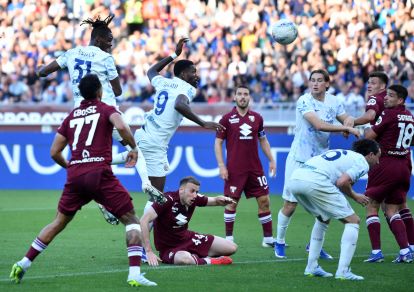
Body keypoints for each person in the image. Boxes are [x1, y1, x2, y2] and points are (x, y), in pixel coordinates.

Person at [9, 74, 156, 287]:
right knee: (131, 220)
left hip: (76, 175)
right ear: (99, 91)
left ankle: (24, 263)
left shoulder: (72, 116)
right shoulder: (106, 109)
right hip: (99, 172)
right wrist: (133, 148)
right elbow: (122, 127)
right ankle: (134, 274)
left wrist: (71, 167)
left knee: (58, 222)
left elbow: (54, 152)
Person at [37, 14, 163, 224]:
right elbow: (118, 90)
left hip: (81, 116)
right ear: (97, 39)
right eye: (109, 40)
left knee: (87, 160)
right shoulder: (105, 58)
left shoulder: (71, 53)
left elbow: (42, 72)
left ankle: (102, 203)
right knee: (133, 148)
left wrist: (59, 70)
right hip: (107, 113)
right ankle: (146, 182)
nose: (111, 43)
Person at [117, 37, 224, 206]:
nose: (196, 76)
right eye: (193, 72)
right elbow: (180, 104)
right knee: (158, 199)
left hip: (144, 134)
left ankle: (98, 163)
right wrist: (203, 123)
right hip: (155, 144)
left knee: (155, 193)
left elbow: (151, 71)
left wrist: (174, 54)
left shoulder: (164, 82)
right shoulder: (187, 88)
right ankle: (141, 229)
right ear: (183, 74)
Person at [274, 69, 360, 258]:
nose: (315, 84)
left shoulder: (334, 101)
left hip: (321, 162)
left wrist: (349, 121)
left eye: (319, 81)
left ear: (327, 84)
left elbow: (346, 117)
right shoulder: (304, 100)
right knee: (290, 204)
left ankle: (314, 246)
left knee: (324, 207)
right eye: (312, 80)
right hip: (299, 158)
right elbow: (319, 125)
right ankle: (279, 241)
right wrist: (345, 127)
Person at [287, 139, 381, 280]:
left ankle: (311, 267)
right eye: (378, 157)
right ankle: (343, 271)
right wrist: (355, 196)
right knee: (353, 221)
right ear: (371, 155)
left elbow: (341, 181)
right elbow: (342, 182)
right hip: (315, 180)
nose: (378, 162)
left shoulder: (346, 155)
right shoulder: (362, 161)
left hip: (295, 180)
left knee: (323, 218)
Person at [214, 85, 276, 247]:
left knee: (264, 200)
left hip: (255, 169)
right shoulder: (226, 119)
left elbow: (263, 140)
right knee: (231, 202)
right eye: (239, 94)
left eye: (246, 94)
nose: (243, 97)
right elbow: (218, 143)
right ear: (234, 97)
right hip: (235, 169)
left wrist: (271, 159)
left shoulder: (257, 118)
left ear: (249, 97)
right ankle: (229, 239)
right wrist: (221, 165)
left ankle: (268, 239)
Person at [363, 85, 414, 263]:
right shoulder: (409, 115)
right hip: (404, 165)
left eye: (391, 96)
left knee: (371, 206)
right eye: (387, 95)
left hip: (386, 164)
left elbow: (369, 135)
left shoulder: (388, 114)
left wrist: (357, 130)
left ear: (400, 100)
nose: (386, 98)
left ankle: (376, 252)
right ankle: (406, 250)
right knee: (393, 209)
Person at [140, 176, 238, 266]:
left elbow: (214, 200)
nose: (195, 195)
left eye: (196, 191)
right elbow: (143, 221)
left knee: (232, 248)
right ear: (181, 190)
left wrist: (220, 199)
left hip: (189, 239)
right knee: (184, 260)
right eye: (192, 191)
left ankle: (195, 256)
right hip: (169, 248)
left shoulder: (194, 198)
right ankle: (210, 260)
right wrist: (148, 251)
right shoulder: (166, 200)